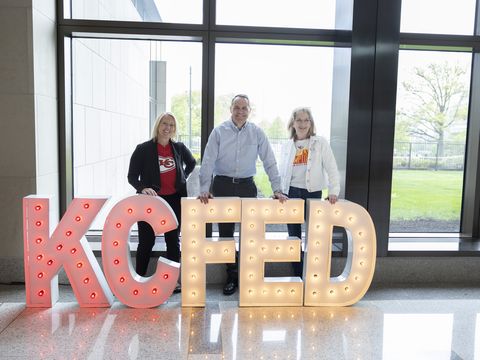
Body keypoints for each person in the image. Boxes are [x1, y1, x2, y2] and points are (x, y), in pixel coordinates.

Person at [198, 94, 288, 295]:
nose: (240, 112)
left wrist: (277, 189)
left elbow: (269, 162)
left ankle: (249, 276)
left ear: (249, 110)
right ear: (230, 109)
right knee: (226, 234)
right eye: (236, 107)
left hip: (247, 187)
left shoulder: (257, 133)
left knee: (250, 234)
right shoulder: (218, 132)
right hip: (222, 185)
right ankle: (231, 276)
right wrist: (205, 188)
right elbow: (208, 161)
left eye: (244, 108)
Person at [128, 112, 196, 293]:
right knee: (146, 241)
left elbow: (192, 163)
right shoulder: (143, 149)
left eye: (171, 125)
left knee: (173, 241)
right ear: (158, 126)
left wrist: (182, 178)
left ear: (175, 129)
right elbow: (132, 176)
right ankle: (139, 278)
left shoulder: (180, 148)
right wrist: (143, 188)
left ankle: (173, 281)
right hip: (151, 202)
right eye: (164, 124)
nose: (168, 128)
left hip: (174, 200)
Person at [279, 107, 340, 278]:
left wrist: (333, 190)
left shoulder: (320, 143)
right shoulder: (287, 146)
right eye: (299, 120)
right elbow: (281, 171)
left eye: (306, 120)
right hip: (291, 194)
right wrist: (280, 191)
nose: (303, 124)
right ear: (293, 123)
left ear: (311, 123)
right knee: (294, 237)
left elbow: (331, 168)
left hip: (312, 193)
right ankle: (297, 275)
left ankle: (314, 276)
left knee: (315, 235)